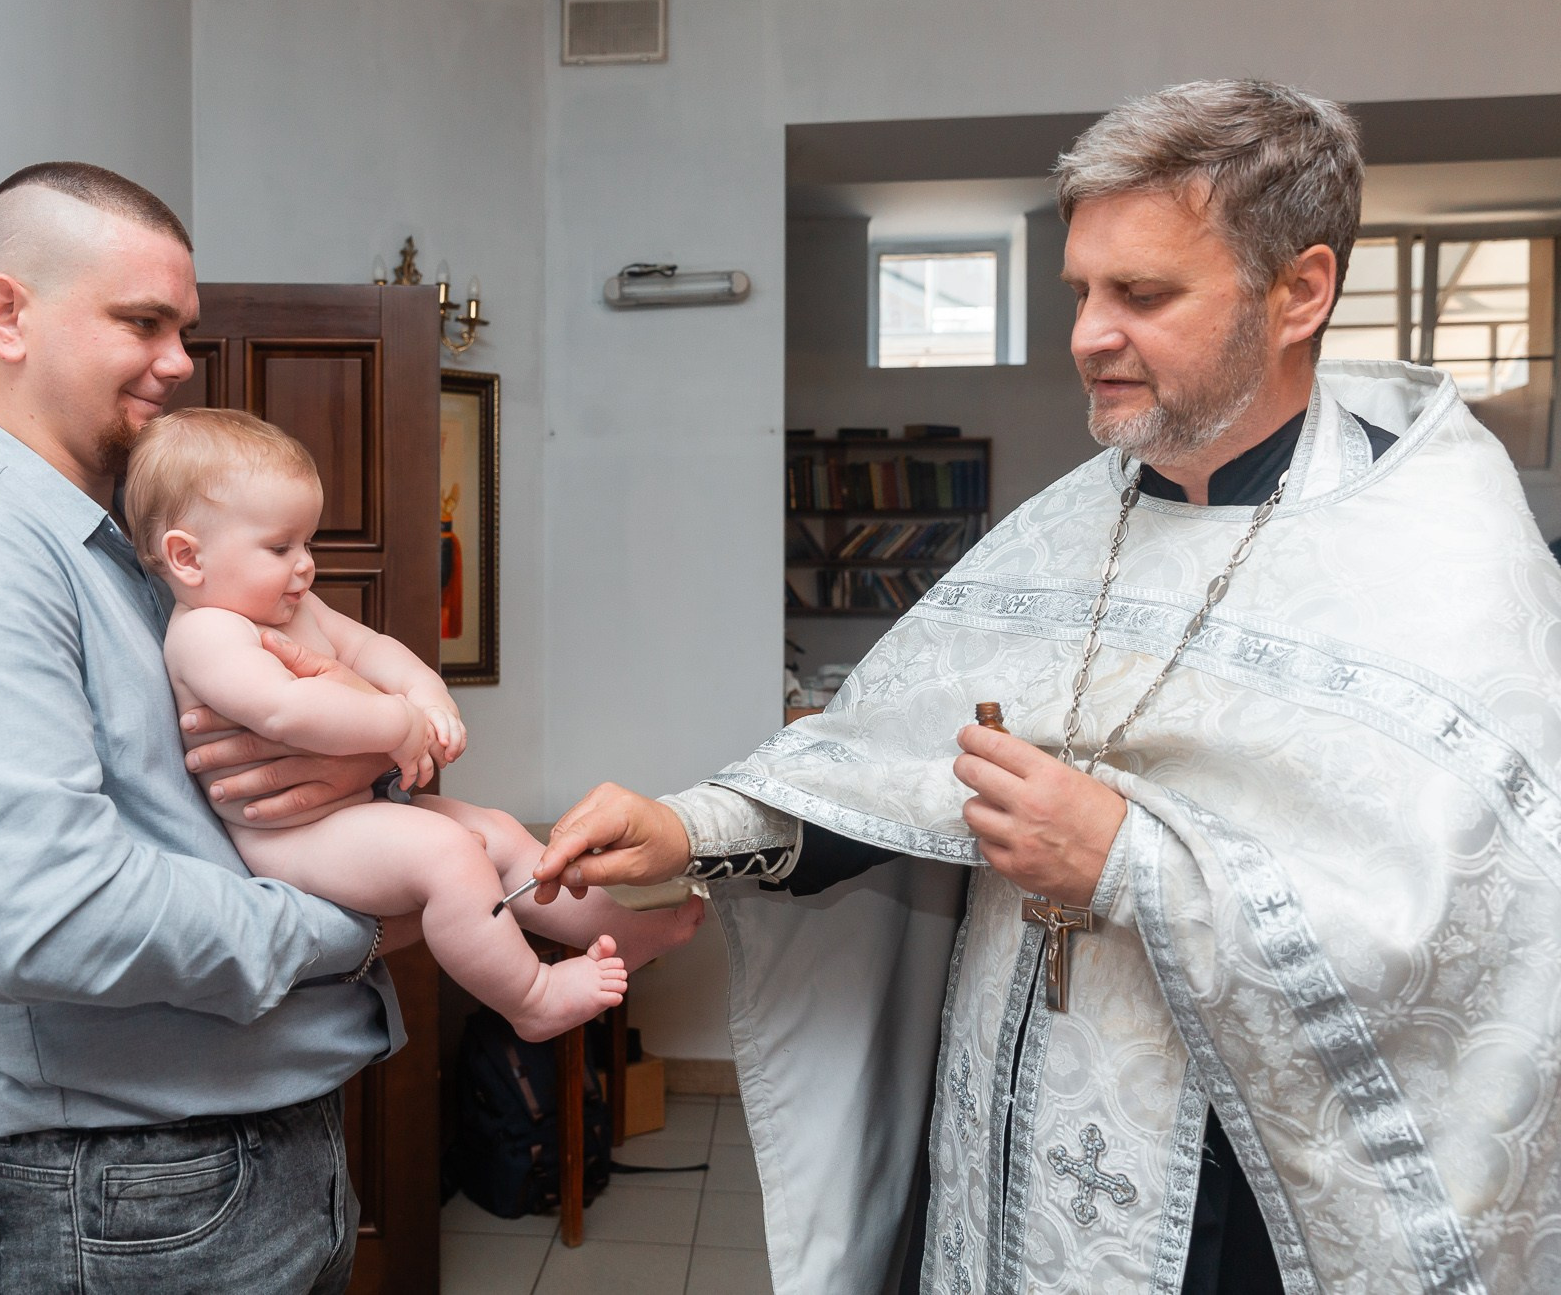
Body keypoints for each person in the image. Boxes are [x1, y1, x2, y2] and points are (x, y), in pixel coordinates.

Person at [530, 81, 1561, 1294]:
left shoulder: (1439, 550)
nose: (1085, 333)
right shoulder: (1072, 518)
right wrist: (689, 824)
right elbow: (889, 764)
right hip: (1005, 1131)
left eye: (1143, 294)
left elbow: (1471, 935)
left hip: (1234, 1200)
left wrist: (1125, 862)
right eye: (1080, 289)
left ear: (1300, 292)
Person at [0, 162, 409, 1294]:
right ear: (7, 314)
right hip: (125, 1189)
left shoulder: (146, 552)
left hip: (241, 1159)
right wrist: (347, 923)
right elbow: (47, 916)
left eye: (182, 327)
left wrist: (375, 746)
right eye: (142, 322)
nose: (180, 363)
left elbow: (280, 765)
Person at [123, 407, 702, 1040]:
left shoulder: (292, 608)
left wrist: (427, 695)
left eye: (307, 543)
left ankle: (616, 927)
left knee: (499, 833)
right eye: (280, 547)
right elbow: (284, 710)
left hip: (353, 809)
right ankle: (531, 998)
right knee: (448, 857)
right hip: (293, 841)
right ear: (187, 557)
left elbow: (371, 648)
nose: (305, 564)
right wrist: (395, 722)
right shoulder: (208, 631)